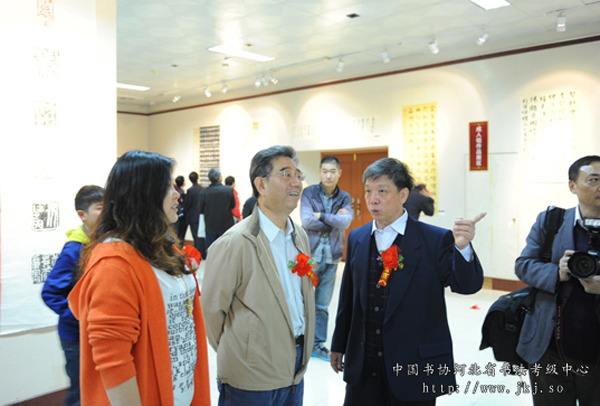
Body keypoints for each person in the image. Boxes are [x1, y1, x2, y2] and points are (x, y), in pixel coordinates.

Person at [330, 158, 485, 405]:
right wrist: (338, 344)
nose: (373, 199)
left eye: (382, 191)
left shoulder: (434, 239)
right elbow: (348, 299)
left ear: (403, 195)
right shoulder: (357, 237)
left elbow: (466, 286)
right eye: (368, 191)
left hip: (414, 367)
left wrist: (463, 248)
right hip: (364, 364)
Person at [68, 150, 210, 406]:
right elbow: (113, 360)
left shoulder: (159, 247)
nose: (177, 194)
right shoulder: (114, 265)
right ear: (144, 194)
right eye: (168, 187)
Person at [201, 145, 315, 406]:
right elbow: (212, 311)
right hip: (251, 377)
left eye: (298, 175)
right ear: (261, 185)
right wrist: (244, 352)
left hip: (295, 368)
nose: (296, 182)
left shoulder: (299, 236)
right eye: (286, 174)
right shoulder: (235, 242)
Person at [515, 155, 600, 406]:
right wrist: (557, 273)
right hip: (549, 349)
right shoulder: (551, 221)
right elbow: (523, 265)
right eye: (594, 180)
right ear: (572, 186)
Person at [42, 185, 104, 406]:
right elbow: (50, 292)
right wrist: (79, 316)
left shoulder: (103, 242)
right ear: (82, 215)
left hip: (96, 332)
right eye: (100, 208)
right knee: (81, 394)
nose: (106, 212)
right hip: (76, 336)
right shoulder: (74, 248)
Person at [301, 155, 352, 361]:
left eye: (332, 171)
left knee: (322, 305)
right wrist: (334, 220)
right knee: (303, 301)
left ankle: (317, 344)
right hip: (310, 258)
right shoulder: (309, 193)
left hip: (332, 258)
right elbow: (306, 221)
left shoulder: (345, 197)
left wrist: (320, 215)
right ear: (320, 172)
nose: (328, 175)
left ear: (339, 173)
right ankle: (300, 340)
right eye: (325, 171)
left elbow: (346, 222)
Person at [198, 168, 236, 250]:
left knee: (212, 251)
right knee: (226, 251)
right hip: (226, 225)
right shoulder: (228, 190)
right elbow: (233, 205)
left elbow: (200, 210)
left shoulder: (203, 193)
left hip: (210, 227)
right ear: (220, 178)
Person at [184, 171, 206, 258]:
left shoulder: (190, 190)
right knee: (202, 235)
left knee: (196, 236)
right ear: (198, 178)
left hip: (193, 216)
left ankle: (198, 254)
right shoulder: (202, 189)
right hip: (202, 215)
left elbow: (187, 204)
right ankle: (203, 253)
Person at [174, 175, 187, 243]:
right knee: (180, 233)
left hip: (176, 214)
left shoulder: (175, 190)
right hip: (180, 214)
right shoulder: (181, 192)